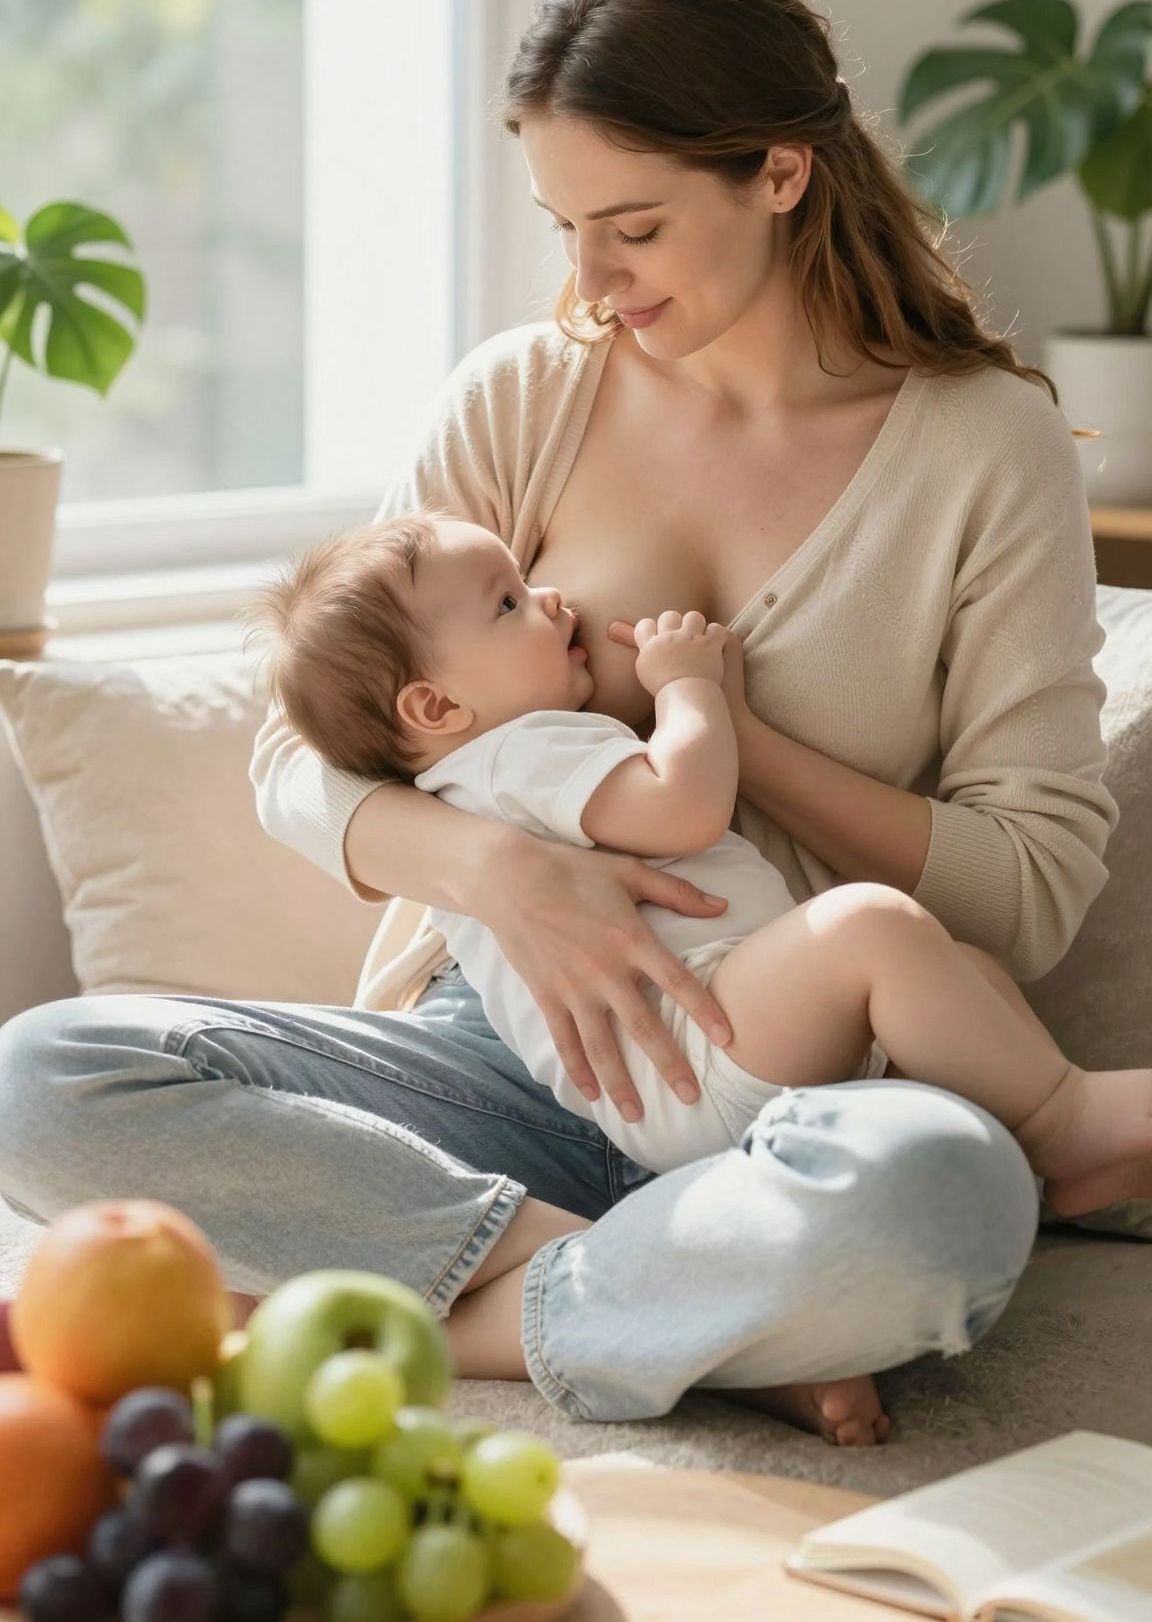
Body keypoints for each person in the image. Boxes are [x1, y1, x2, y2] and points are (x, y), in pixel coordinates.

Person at [0, 0, 1118, 1452]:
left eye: (635, 228)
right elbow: (297, 752)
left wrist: (719, 725)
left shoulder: (987, 453)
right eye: (566, 227)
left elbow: (1029, 886)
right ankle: (667, 1312)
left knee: (949, 1199)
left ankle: (511, 1303)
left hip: (784, 1081)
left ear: (781, 174)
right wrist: (508, 871)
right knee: (43, 1074)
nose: (589, 283)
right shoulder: (524, 395)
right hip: (498, 1056)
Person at [245, 508, 1144, 1229]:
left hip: (694, 1053)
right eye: (510, 604)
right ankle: (1061, 1118)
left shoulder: (486, 764)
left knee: (959, 973)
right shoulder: (518, 757)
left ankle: (1023, 1162)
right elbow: (683, 805)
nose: (553, 597)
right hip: (698, 1050)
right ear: (437, 704)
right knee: (872, 927)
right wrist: (687, 688)